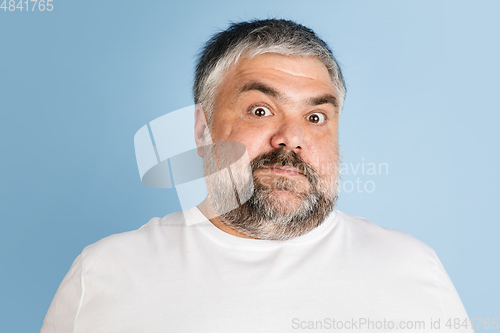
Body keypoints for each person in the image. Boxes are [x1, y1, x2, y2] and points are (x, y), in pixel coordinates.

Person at [41, 19, 472, 332]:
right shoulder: (103, 275)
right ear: (201, 129)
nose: (292, 138)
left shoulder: (411, 269)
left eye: (316, 116)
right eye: (260, 111)